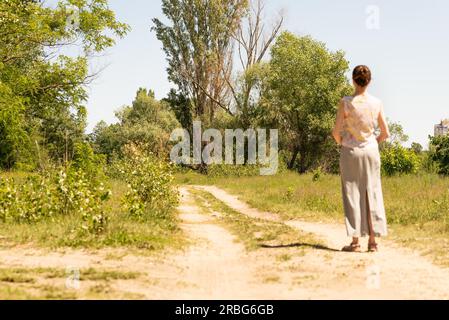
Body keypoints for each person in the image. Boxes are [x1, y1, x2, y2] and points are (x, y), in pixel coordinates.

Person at [332, 65, 390, 253]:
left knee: (352, 193)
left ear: (353, 80)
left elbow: (335, 132)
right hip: (371, 152)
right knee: (372, 192)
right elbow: (386, 133)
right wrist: (373, 142)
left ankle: (355, 242)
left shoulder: (346, 102)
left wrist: (344, 142)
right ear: (369, 81)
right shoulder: (377, 103)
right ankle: (373, 242)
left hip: (351, 152)